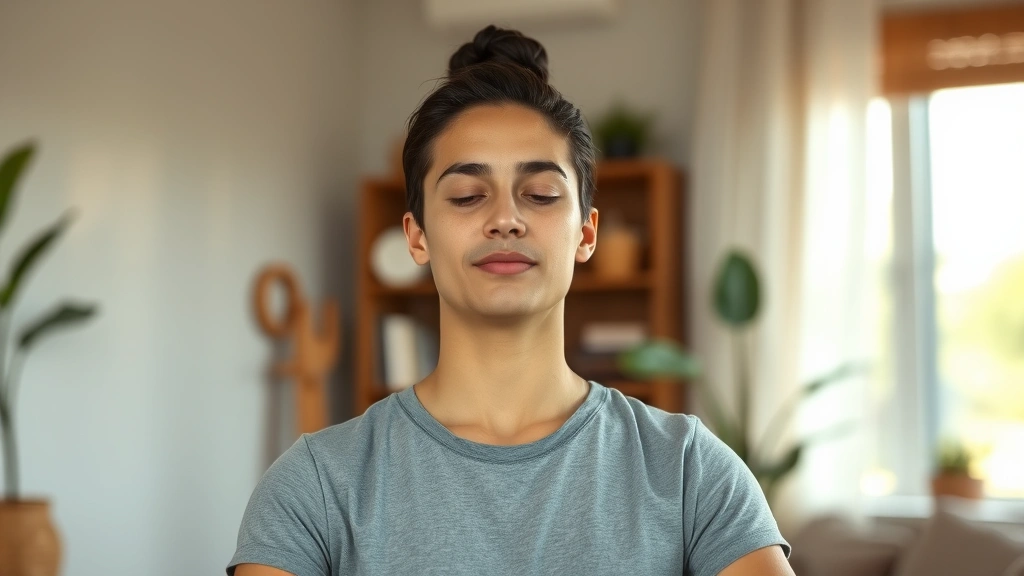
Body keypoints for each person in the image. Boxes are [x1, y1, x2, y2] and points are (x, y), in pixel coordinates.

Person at [228, 25, 793, 576]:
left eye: (541, 194)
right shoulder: (316, 485)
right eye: (469, 195)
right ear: (417, 236)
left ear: (586, 234)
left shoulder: (689, 470)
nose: (505, 219)